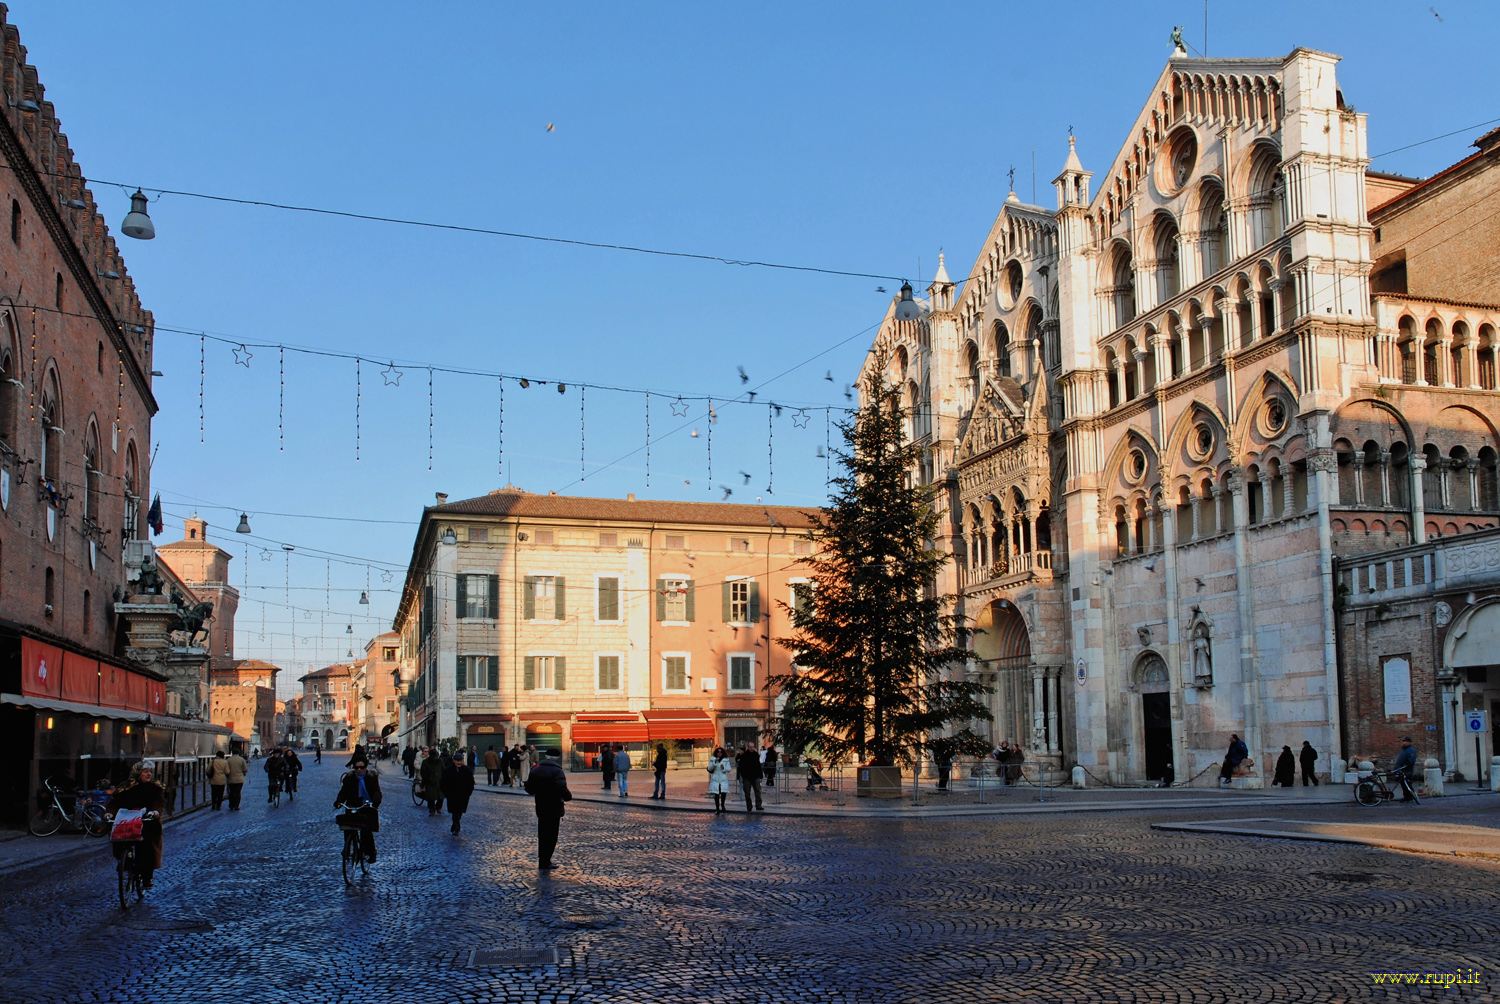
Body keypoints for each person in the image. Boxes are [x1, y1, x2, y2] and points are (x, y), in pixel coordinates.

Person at [107, 762, 168, 888]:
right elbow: (115, 802)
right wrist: (109, 813)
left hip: (147, 819)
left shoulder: (155, 788)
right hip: (128, 819)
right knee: (119, 837)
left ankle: (147, 876)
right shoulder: (126, 787)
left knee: (148, 844)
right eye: (145, 771)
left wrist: (155, 812)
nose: (149, 774)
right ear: (138, 772)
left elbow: (159, 802)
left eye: (150, 771)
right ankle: (124, 860)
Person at [524, 751, 572, 870]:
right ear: (556, 759)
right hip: (554, 807)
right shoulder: (557, 771)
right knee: (552, 835)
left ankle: (542, 861)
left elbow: (529, 789)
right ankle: (546, 861)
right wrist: (568, 796)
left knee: (542, 834)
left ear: (545, 757)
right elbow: (562, 788)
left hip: (541, 806)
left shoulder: (535, 770)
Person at [332, 759, 382, 863]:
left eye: (362, 767)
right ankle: (347, 847)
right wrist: (339, 802)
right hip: (353, 804)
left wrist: (375, 802)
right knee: (348, 826)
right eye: (357, 768)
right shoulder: (349, 778)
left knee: (366, 830)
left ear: (365, 768)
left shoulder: (371, 777)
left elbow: (376, 791)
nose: (359, 770)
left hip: (367, 805)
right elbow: (343, 792)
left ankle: (370, 852)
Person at [441, 752, 476, 835]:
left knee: (459, 811)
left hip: (463, 795)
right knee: (454, 811)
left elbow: (471, 783)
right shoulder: (448, 770)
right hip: (452, 795)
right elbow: (443, 782)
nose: (459, 762)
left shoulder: (467, 770)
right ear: (453, 761)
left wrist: (468, 793)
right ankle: (456, 826)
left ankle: (455, 824)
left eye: (460, 760)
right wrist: (446, 793)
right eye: (457, 760)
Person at [735, 742, 764, 812]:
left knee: (758, 791)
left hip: (756, 776)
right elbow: (740, 764)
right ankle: (749, 806)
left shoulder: (756, 754)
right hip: (747, 777)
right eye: (750, 747)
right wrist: (743, 775)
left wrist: (761, 775)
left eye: (753, 747)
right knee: (747, 793)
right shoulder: (744, 755)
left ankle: (758, 805)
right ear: (748, 747)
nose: (752, 748)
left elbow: (758, 765)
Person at [1392, 736, 1419, 801]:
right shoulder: (1403, 750)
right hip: (1400, 770)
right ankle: (1406, 797)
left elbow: (1411, 761)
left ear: (1409, 742)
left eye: (1406, 741)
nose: (1404, 743)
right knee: (1403, 785)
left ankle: (1410, 797)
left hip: (1407, 770)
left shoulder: (1411, 750)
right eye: (1403, 741)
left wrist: (1406, 765)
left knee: (1407, 784)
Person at [420, 747, 445, 816]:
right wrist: (426, 780)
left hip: (439, 782)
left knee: (440, 797)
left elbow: (443, 770)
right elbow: (423, 773)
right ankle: (432, 810)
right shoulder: (425, 762)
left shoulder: (440, 761)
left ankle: (437, 808)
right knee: (431, 798)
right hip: (430, 782)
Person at [707, 746, 733, 813]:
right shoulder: (713, 759)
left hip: (723, 779)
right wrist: (714, 763)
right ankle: (717, 808)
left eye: (720, 752)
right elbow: (709, 768)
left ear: (722, 753)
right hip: (715, 780)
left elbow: (729, 769)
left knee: (723, 793)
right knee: (716, 795)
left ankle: (723, 805)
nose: (719, 753)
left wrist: (723, 768)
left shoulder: (726, 760)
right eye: (718, 752)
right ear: (716, 753)